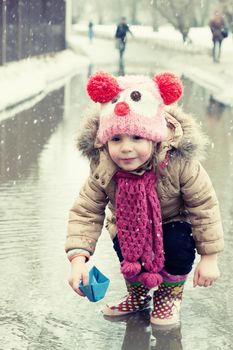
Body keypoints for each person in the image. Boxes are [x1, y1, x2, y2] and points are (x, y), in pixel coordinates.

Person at [66, 71, 224, 326]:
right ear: (106, 142)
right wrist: (78, 259)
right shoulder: (104, 167)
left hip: (172, 223)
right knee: (124, 240)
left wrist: (209, 258)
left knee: (177, 243)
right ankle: (138, 295)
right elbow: (86, 211)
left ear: (154, 137)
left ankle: (168, 296)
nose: (126, 148)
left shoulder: (178, 163)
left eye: (137, 137)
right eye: (116, 139)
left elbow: (204, 206)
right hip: (131, 226)